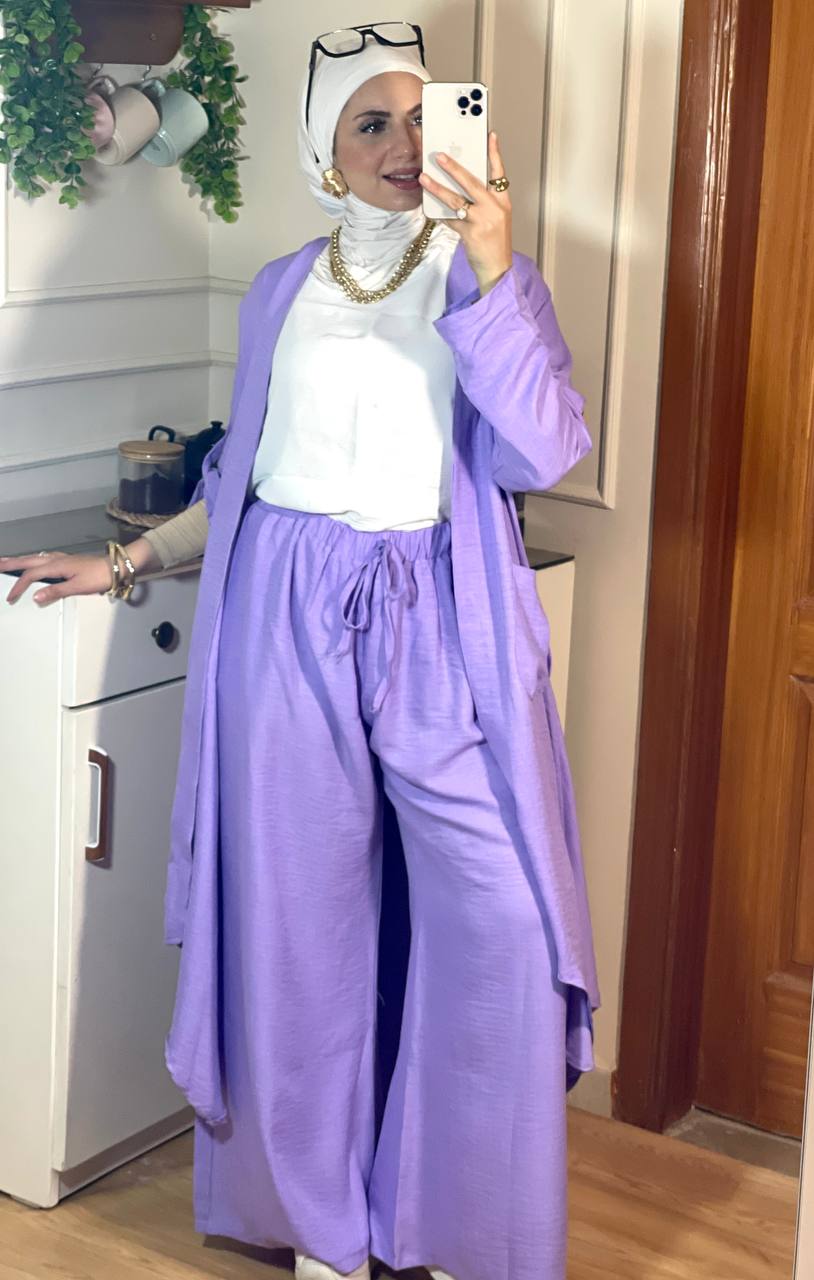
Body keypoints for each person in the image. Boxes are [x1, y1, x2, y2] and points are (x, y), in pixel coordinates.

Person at [1, 22, 601, 1280]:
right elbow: (246, 479)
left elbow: (541, 452)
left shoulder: (482, 275)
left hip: (433, 622)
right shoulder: (280, 287)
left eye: (419, 118)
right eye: (369, 123)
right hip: (285, 614)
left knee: (499, 916)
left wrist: (496, 262)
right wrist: (124, 561)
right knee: (297, 931)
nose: (400, 145)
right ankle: (323, 1232)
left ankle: (458, 1228)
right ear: (324, 151)